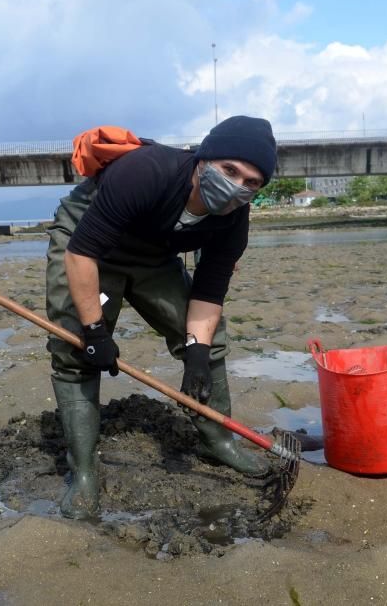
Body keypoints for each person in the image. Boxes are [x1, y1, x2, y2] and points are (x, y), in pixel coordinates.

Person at [46, 115, 277, 519]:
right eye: (229, 170)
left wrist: (197, 352)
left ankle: (217, 441)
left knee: (209, 340)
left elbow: (208, 291)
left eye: (251, 183)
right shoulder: (145, 172)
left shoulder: (234, 219)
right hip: (88, 240)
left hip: (153, 256)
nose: (237, 186)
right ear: (203, 160)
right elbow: (82, 254)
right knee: (75, 349)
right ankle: (83, 473)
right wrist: (96, 331)